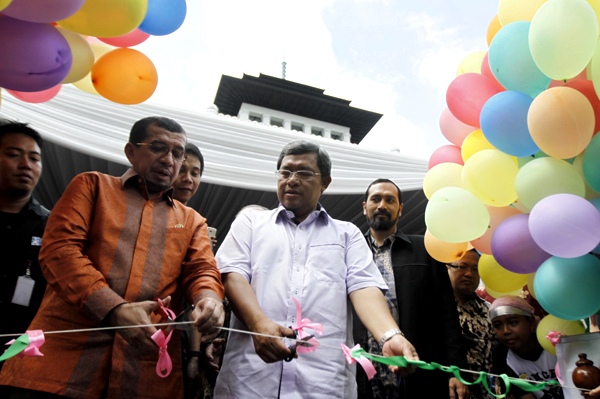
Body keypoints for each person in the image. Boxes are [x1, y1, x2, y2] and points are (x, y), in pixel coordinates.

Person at [0, 116, 225, 399]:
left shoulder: (192, 221)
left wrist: (210, 300)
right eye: (158, 148)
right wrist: (114, 309)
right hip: (57, 365)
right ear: (131, 151)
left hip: (146, 372)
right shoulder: (92, 187)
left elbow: (202, 270)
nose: (170, 160)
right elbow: (60, 252)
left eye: (177, 153)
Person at [213, 140, 419, 398]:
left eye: (304, 173)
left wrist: (389, 336)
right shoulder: (250, 222)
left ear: (325, 182)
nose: (292, 179)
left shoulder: (347, 234)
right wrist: (258, 323)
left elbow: (364, 287)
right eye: (285, 172)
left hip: (323, 384)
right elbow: (233, 275)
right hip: (249, 380)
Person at [354, 178, 468, 399]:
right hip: (365, 373)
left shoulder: (425, 249)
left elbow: (447, 315)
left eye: (390, 200)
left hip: (419, 372)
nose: (381, 205)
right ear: (364, 207)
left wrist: (456, 370)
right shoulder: (351, 253)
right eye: (375, 199)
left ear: (400, 209)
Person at [0, 121, 49, 372]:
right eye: (13, 155)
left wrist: (19, 352)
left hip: (20, 351)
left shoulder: (53, 226)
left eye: (34, 158)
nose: (26, 165)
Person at [490, 296, 564, 399]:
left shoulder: (554, 342)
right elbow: (524, 396)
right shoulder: (500, 355)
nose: (506, 331)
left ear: (531, 322)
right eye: (498, 325)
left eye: (512, 322)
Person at [447, 250, 497, 399]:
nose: (469, 274)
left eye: (475, 270)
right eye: (462, 267)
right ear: (447, 268)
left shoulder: (488, 310)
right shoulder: (434, 306)